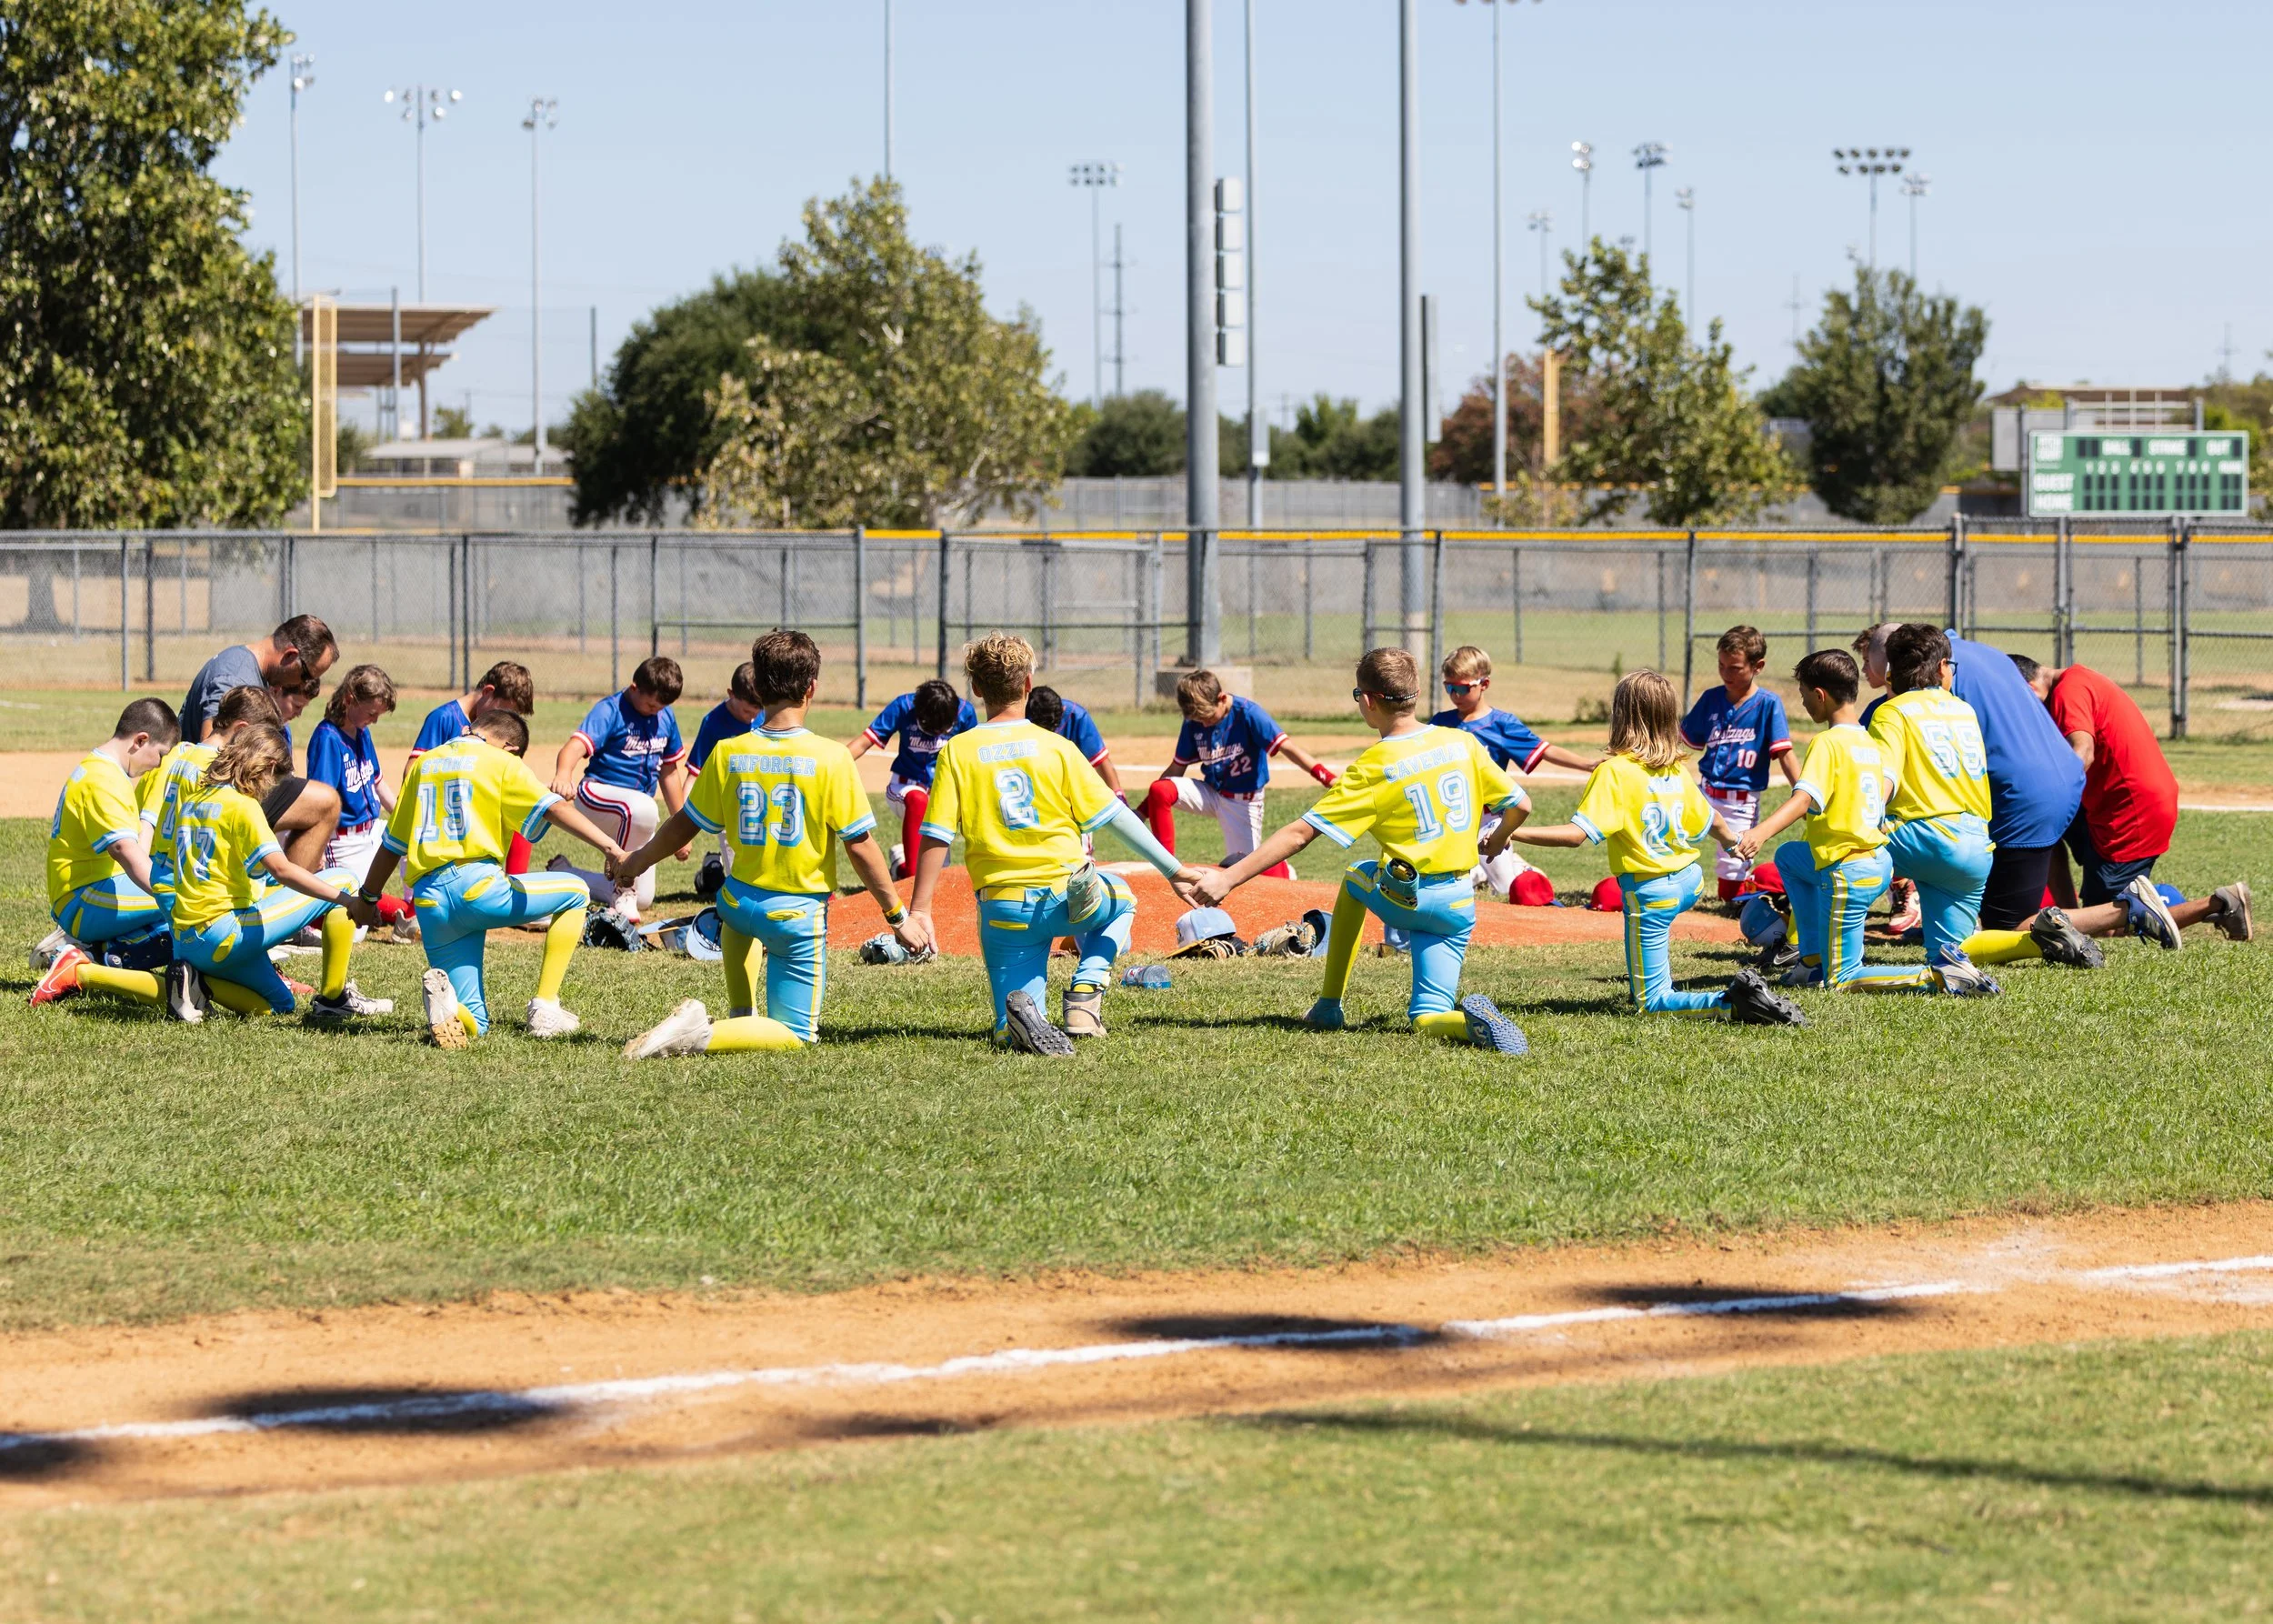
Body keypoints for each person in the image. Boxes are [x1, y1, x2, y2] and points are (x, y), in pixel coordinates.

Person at [1189, 646, 1538, 1050]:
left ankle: (1329, 1004)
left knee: (1356, 876)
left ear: (1368, 701)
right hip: (1459, 903)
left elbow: (1300, 833)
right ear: (1414, 694)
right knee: (1427, 1017)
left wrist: (1229, 877)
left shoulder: (1374, 766)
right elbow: (1521, 804)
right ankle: (1469, 1026)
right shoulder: (1462, 743)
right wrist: (1495, 841)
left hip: (1411, 898)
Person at [619, 632, 929, 1059]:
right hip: (793, 918)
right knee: (796, 1034)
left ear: (759, 689)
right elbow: (859, 846)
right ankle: (699, 1035)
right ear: (812, 688)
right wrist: (898, 917)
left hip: (735, 905)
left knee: (741, 934)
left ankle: (740, 1015)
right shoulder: (831, 758)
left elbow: (683, 825)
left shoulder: (728, 752)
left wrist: (634, 862)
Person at [908, 634, 1201, 1055]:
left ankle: (1016, 1027)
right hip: (1069, 897)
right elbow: (1113, 817)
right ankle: (1084, 994)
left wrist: (920, 910)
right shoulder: (1058, 748)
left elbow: (936, 835)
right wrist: (1174, 870)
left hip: (1003, 909)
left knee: (1010, 1025)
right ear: (1028, 684)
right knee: (1124, 898)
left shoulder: (958, 751)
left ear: (975, 688)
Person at [1506, 670, 1803, 1024]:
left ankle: (1734, 1003)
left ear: (1622, 715)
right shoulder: (1674, 770)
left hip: (1651, 892)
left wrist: (1514, 833)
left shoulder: (1615, 771)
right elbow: (1713, 820)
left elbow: (1575, 835)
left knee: (1651, 1001)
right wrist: (1735, 842)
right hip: (1689, 881)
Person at [52, 723, 379, 1024]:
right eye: (275, 780)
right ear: (264, 769)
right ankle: (333, 999)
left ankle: (182, 981)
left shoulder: (194, 798)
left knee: (282, 1005)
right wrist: (349, 901)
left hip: (186, 938)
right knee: (345, 879)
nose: (271, 789)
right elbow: (280, 870)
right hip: (223, 933)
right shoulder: (243, 805)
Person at [350, 710, 627, 1047]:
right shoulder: (501, 762)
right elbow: (553, 808)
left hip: (429, 902)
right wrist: (611, 848)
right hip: (477, 890)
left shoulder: (426, 764)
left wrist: (368, 897)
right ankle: (546, 1006)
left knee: (474, 1024)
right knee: (576, 891)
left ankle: (449, 1008)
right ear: (510, 747)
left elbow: (393, 844)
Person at [1737, 650, 1995, 995]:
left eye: (1803, 696)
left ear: (1820, 695)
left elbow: (1804, 799)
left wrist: (1759, 832)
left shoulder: (1828, 743)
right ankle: (1812, 960)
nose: (1803, 704)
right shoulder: (1870, 741)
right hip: (1880, 863)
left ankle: (1937, 976)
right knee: (1789, 858)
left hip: (1848, 872)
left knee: (1842, 979)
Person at [1855, 622, 2084, 940]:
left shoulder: (1920, 692)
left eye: (1871, 661)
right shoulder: (1987, 654)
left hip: (2021, 799)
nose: (1869, 671)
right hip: (2063, 776)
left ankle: (2128, 911)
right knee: (1984, 910)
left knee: (2007, 926)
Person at [2013, 654, 2249, 947]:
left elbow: (2083, 751)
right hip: (2116, 804)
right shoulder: (2075, 682)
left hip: (2131, 813)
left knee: (2106, 926)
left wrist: (2047, 795)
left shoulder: (2068, 693)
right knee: (2041, 830)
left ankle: (2219, 904)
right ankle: (2068, 917)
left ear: (2031, 690)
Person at [1865, 625, 1998, 977]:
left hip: (1925, 840)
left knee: (1822, 857)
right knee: (1948, 962)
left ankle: (1809, 955)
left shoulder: (1892, 711)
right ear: (1941, 668)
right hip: (1976, 848)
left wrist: (1858, 825)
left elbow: (1885, 780)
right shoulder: (1964, 710)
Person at [30, 699, 180, 1005]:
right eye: (160, 754)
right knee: (189, 904)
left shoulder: (103, 771)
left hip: (90, 895)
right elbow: (125, 851)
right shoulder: (103, 780)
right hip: (84, 899)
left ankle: (86, 954)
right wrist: (179, 893)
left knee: (179, 917)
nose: (158, 764)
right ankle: (88, 958)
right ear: (140, 741)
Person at [1427, 645, 1587, 902]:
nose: (1455, 695)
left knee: (1506, 889)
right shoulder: (1440, 723)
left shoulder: (1501, 724)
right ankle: (1476, 871)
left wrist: (1588, 765)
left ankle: (1520, 869)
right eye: (1449, 687)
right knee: (1444, 884)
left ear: (1484, 684)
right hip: (1450, 817)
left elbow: (1543, 750)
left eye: (1463, 688)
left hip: (1487, 820)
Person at [1145, 670, 1337, 880]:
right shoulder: (1196, 720)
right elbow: (1175, 769)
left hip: (1243, 803)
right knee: (1160, 789)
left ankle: (1285, 872)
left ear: (1222, 698)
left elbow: (1287, 748)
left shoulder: (1248, 713)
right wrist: (1141, 812)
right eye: (1198, 719)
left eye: (1207, 717)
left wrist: (1327, 778)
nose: (1204, 724)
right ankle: (1167, 869)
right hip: (1211, 792)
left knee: (1250, 868)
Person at [549, 656, 689, 921]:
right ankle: (623, 888)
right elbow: (574, 747)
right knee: (644, 808)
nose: (655, 710)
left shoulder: (665, 716)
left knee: (645, 898)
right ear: (634, 688)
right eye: (650, 704)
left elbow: (669, 772)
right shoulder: (611, 709)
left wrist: (683, 826)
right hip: (596, 795)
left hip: (635, 811)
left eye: (661, 706)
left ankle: (566, 875)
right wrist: (563, 774)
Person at [1679, 626, 1802, 902]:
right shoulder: (1711, 698)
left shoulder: (1768, 704)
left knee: (1729, 887)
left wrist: (1804, 794)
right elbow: (1683, 739)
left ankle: (1750, 887)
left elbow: (1785, 754)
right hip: (1703, 794)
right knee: (1665, 841)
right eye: (1721, 666)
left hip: (1740, 803)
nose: (1726, 674)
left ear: (1758, 666)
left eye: (1734, 668)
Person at [305, 664, 416, 938]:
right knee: (354, 932)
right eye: (371, 713)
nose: (375, 720)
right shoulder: (327, 738)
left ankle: (413, 912)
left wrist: (405, 819)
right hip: (343, 842)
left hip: (371, 830)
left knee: (415, 840)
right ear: (349, 700)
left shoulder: (361, 731)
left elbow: (377, 782)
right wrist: (317, 849)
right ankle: (306, 925)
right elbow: (320, 803)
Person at [409, 660, 538, 876]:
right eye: (504, 711)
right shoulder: (444, 718)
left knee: (520, 814)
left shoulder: (494, 731)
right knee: (414, 909)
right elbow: (412, 769)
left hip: (473, 818)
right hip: (443, 825)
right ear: (488, 692)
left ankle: (516, 885)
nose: (505, 721)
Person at [847, 677, 979, 878]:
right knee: (919, 801)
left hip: (942, 795)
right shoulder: (904, 706)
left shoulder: (964, 712)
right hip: (905, 788)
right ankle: (909, 874)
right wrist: (831, 768)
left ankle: (900, 865)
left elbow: (975, 757)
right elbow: (864, 742)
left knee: (936, 876)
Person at [179, 614, 337, 742]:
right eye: (306, 676)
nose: (303, 684)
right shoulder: (234, 680)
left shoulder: (251, 671)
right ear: (290, 655)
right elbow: (210, 760)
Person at [1026, 685, 1126, 799]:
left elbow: (1101, 761)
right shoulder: (1018, 719)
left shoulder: (1075, 715)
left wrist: (1119, 797)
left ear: (1062, 710)